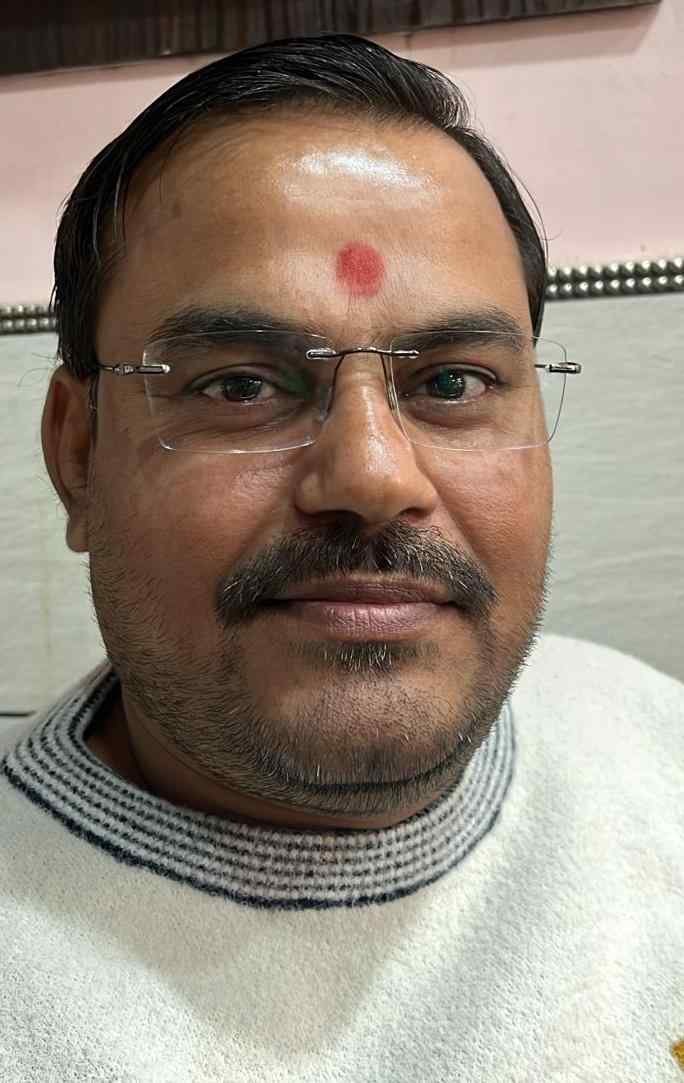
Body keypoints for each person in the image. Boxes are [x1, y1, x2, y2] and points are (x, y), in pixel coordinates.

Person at [1, 33, 682, 1082]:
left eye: (452, 382)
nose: (370, 475)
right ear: (78, 453)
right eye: (239, 385)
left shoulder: (656, 743)